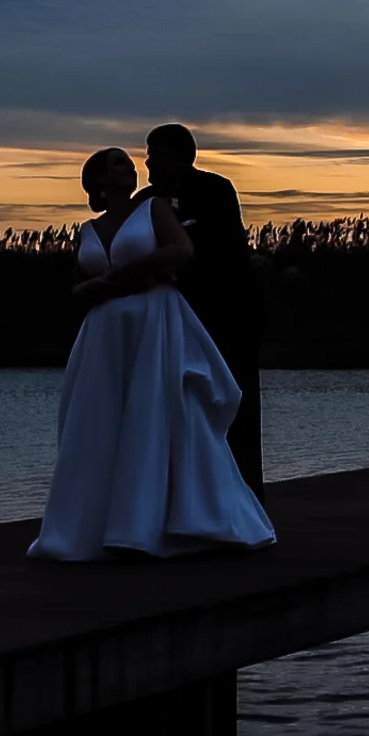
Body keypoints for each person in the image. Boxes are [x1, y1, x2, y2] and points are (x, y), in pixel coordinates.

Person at [28, 147, 275, 560]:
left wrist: (121, 276)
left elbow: (181, 251)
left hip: (153, 320)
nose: (131, 167)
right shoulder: (88, 229)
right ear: (98, 181)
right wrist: (92, 290)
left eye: (130, 163)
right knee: (101, 420)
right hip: (105, 333)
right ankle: (95, 524)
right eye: (119, 163)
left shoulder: (153, 208)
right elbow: (76, 285)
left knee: (159, 411)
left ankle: (164, 520)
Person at [133, 124, 267, 499]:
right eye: (147, 155)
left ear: (182, 157)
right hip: (165, 324)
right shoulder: (143, 201)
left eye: (155, 155)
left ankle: (242, 497)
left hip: (222, 320)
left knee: (230, 408)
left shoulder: (215, 191)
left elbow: (226, 251)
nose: (147, 163)